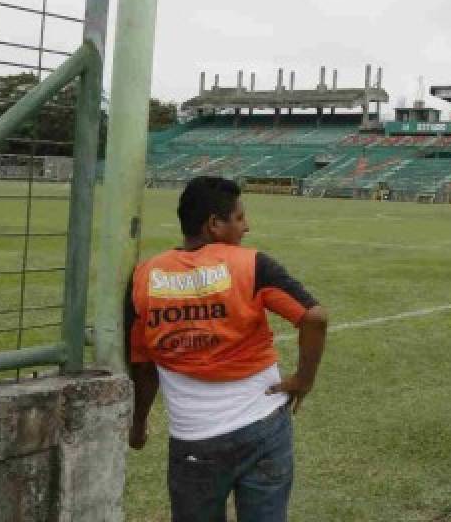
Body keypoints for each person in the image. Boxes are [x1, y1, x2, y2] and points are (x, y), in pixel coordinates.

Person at [127, 176, 328, 522]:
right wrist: (304, 379)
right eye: (239, 218)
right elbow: (315, 318)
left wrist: (139, 423)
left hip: (194, 438)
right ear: (214, 225)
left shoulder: (144, 277)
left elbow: (144, 368)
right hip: (264, 426)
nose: (246, 226)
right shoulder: (251, 265)